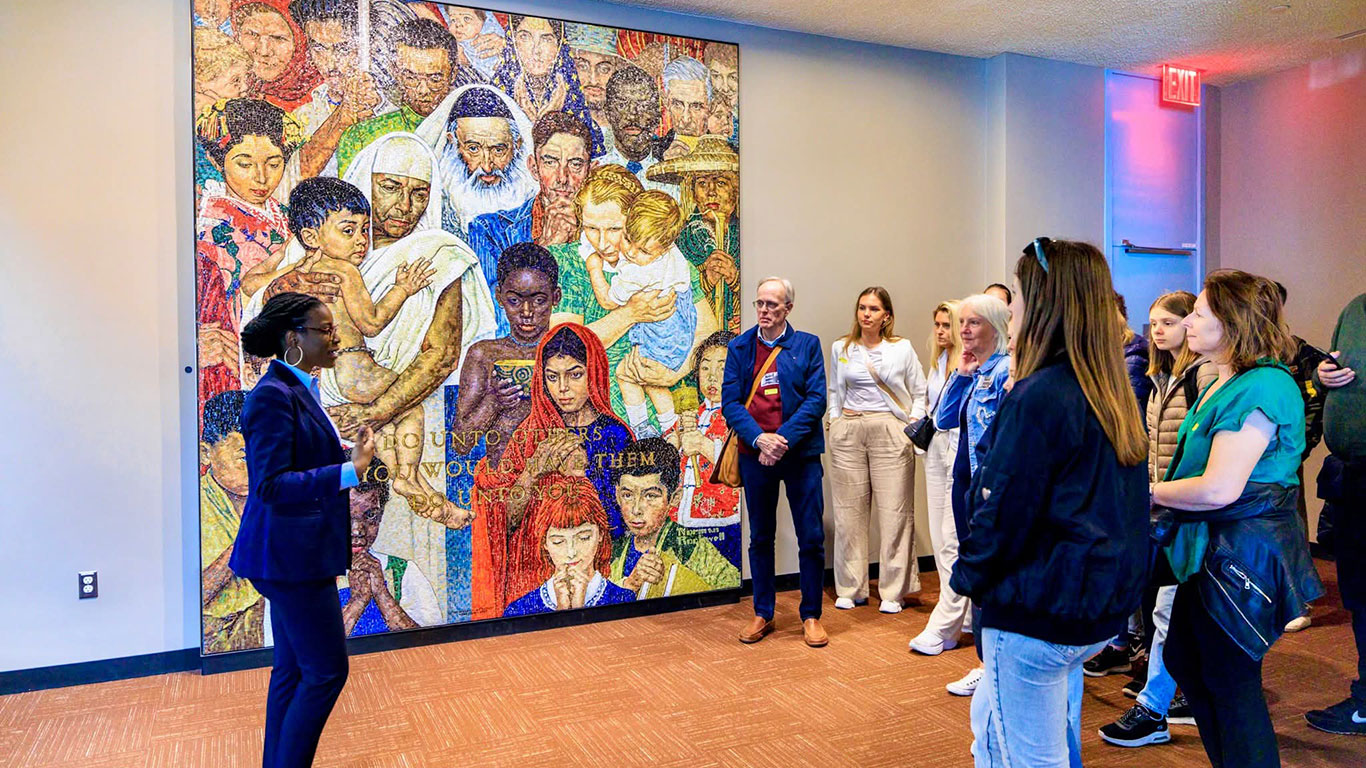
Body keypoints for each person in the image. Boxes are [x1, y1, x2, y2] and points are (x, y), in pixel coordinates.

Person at [952, 238, 1150, 768]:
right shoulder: (1105, 389)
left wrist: (968, 579)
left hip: (1034, 610)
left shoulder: (1040, 394)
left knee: (1023, 756)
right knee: (1026, 742)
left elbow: (1001, 509)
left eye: (1016, 295)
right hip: (1084, 604)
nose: (1010, 310)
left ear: (1044, 302)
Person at [1152, 269, 1324, 768]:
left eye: (1200, 314)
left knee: (1230, 677)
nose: (1188, 323)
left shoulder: (1264, 385)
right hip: (1215, 544)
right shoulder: (1225, 378)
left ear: (1232, 322)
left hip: (1241, 550)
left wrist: (1143, 494)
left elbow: (1219, 487)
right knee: (1187, 657)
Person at [229, 291, 378, 768]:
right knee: (326, 673)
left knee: (292, 671)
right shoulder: (271, 397)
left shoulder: (296, 389)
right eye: (326, 330)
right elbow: (271, 485)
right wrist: (349, 471)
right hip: (291, 558)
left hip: (294, 554)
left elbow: (299, 462)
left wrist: (344, 457)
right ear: (294, 339)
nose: (336, 339)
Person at [1098, 289, 1214, 747]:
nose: (1158, 331)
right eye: (1153, 324)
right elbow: (1152, 443)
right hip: (1162, 503)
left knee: (1169, 607)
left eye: (1168, 322)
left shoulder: (1201, 375)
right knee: (1164, 607)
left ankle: (1156, 705)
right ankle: (1165, 696)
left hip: (1188, 506)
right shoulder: (1161, 374)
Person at [469, 324, 633, 618]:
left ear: (593, 373)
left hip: (598, 567)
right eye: (552, 377)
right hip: (535, 573)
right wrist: (534, 470)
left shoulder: (616, 436)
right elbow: (503, 521)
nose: (563, 389)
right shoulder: (531, 433)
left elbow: (626, 519)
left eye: (575, 374)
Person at [723, 277, 829, 647]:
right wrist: (760, 439)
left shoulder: (807, 346)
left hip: (800, 456)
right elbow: (731, 403)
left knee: (811, 537)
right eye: (760, 304)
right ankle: (762, 613)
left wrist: (782, 439)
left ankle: (811, 614)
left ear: (788, 309)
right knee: (761, 536)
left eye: (773, 305)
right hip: (756, 457)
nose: (764, 311)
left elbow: (817, 400)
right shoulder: (739, 347)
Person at [930, 292, 1011, 695]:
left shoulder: (1004, 373)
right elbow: (943, 419)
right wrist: (961, 374)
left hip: (988, 486)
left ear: (996, 327)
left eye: (973, 323)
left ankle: (989, 663)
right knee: (973, 567)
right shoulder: (976, 370)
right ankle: (986, 661)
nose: (964, 330)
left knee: (987, 573)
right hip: (966, 481)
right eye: (962, 322)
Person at [825, 287, 925, 614]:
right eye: (862, 308)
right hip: (849, 430)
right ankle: (850, 587)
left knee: (896, 512)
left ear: (886, 316)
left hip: (889, 428)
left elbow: (920, 391)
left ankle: (894, 591)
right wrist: (835, 423)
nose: (866, 314)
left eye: (873, 309)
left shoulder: (902, 348)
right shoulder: (842, 347)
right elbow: (834, 391)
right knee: (848, 513)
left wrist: (909, 425)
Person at [194, 97, 304, 396]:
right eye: (244, 163)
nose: (261, 177)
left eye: (273, 163)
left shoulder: (284, 216)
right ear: (218, 161)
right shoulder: (209, 228)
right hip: (240, 360)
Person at [1304, 290, 1366, 735]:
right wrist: (1324, 376)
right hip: (1351, 478)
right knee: (1359, 595)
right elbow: (1330, 367)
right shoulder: (1355, 308)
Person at [587, 190, 696, 438]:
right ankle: (670, 426)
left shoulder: (639, 274)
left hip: (661, 333)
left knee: (628, 375)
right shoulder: (671, 254)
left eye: (643, 251)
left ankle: (643, 427)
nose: (632, 253)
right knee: (650, 379)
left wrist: (594, 268)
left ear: (663, 247)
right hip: (680, 329)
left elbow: (607, 300)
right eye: (627, 239)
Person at [454, 243, 562, 468]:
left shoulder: (568, 350)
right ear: (499, 297)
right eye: (514, 300)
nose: (526, 312)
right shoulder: (484, 354)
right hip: (502, 483)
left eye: (539, 300)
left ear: (556, 297)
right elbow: (461, 443)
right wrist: (494, 401)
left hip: (558, 483)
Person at [908, 300, 971, 655]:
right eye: (938, 324)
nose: (942, 331)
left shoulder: (972, 364)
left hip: (959, 450)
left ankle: (949, 619)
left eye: (949, 324)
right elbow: (934, 408)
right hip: (935, 450)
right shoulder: (939, 362)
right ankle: (958, 614)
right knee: (939, 536)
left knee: (952, 539)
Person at [336, 18, 475, 175]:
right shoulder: (361, 136)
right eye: (411, 78)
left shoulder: (473, 135)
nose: (423, 90)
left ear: (453, 74)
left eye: (435, 79)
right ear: (394, 71)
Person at [609, 438, 740, 598]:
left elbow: (730, 584)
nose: (636, 509)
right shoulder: (614, 550)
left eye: (650, 496)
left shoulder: (688, 547)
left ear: (674, 498)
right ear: (617, 495)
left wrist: (675, 576)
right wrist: (629, 584)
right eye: (628, 495)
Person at [503, 473, 636, 615]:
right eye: (558, 541)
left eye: (584, 538)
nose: (571, 552)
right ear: (545, 543)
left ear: (601, 535)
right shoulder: (519, 609)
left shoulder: (623, 599)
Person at [646, 136, 742, 334]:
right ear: (692, 191)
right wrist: (705, 279)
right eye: (702, 183)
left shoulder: (746, 235)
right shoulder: (680, 239)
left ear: (736, 189)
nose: (711, 192)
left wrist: (735, 280)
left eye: (721, 183)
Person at [338, 454, 442, 636]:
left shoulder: (404, 572)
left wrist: (381, 594)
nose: (357, 531)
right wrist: (357, 602)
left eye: (370, 516)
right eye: (346, 515)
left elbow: (430, 645)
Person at [1275, 281, 1328, 632]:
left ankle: (1298, 601)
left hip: (1287, 455)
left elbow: (1317, 397)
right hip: (1253, 457)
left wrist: (1302, 445)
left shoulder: (1299, 353)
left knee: (1292, 525)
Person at [200, 390, 268, 654]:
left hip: (264, 622)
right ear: (206, 453)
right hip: (213, 629)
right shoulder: (200, 506)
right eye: (243, 456)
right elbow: (197, 593)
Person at [672, 331, 743, 566]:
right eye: (705, 368)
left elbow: (740, 466)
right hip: (682, 517)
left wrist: (703, 445)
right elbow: (669, 454)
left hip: (721, 518)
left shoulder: (740, 414)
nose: (712, 377)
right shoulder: (692, 413)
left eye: (722, 368)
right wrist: (677, 438)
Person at [490, 15, 602, 154]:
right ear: (513, 40)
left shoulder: (574, 103)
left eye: (546, 39)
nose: (536, 50)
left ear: (559, 45)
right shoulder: (495, 97)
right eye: (525, 37)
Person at [232, 0, 320, 111]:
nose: (264, 51)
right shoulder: (231, 88)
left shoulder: (321, 99)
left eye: (278, 38)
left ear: (301, 43)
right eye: (252, 34)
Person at [566, 23, 624, 151]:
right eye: (582, 66)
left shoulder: (630, 133)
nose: (593, 79)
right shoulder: (558, 129)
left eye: (604, 69)